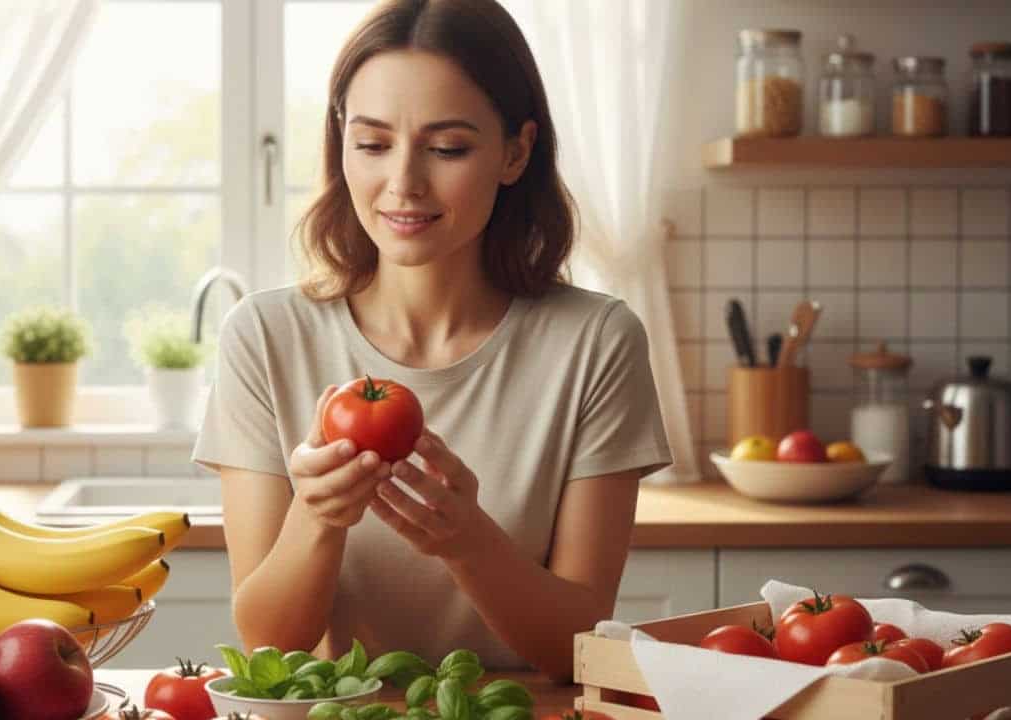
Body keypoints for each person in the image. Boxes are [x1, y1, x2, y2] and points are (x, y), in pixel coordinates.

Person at [191, 0, 671, 683]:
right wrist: (317, 518)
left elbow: (577, 651)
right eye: (372, 144)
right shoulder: (265, 337)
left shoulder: (596, 342)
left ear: (515, 152)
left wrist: (468, 541)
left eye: (447, 149)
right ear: (341, 143)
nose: (404, 184)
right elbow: (271, 647)